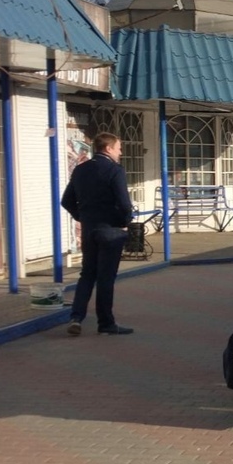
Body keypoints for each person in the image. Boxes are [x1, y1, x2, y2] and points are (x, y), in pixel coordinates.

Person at [61, 132, 135, 336]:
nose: (120, 152)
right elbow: (124, 203)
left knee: (87, 274)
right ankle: (106, 323)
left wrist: (82, 217)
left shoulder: (80, 169)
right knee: (106, 278)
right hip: (110, 230)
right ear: (109, 148)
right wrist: (123, 222)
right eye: (119, 147)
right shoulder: (114, 170)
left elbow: (66, 200)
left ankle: (76, 317)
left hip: (89, 230)